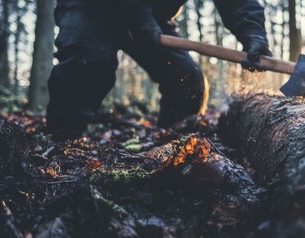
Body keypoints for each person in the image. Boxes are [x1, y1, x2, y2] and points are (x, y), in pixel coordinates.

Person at [46, 0, 272, 137]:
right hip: (90, 8)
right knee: (89, 61)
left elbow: (239, 3)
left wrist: (254, 35)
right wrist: (139, 18)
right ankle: (62, 140)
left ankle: (171, 139)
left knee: (188, 80)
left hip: (152, 15)